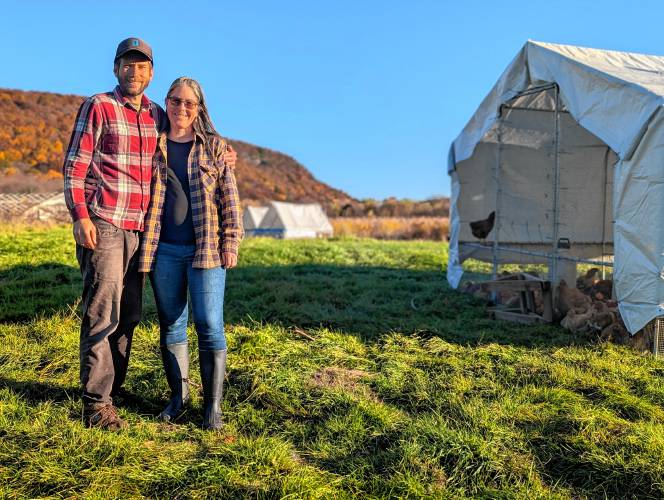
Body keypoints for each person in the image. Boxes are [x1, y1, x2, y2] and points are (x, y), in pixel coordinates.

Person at [62, 38, 238, 430]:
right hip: (106, 224)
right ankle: (97, 402)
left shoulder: (155, 116)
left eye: (142, 66)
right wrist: (80, 216)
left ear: (151, 73)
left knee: (130, 315)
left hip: (144, 234)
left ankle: (119, 389)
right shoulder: (99, 106)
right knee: (102, 313)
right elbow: (75, 165)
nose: (134, 71)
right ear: (115, 67)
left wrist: (225, 153)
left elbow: (206, 155)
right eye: (128, 64)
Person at [138, 77, 243, 430]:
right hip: (163, 249)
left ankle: (213, 407)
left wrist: (231, 242)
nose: (181, 108)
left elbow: (230, 200)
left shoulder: (214, 147)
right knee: (171, 324)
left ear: (199, 109)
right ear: (166, 103)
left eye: (189, 103)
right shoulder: (153, 144)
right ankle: (178, 398)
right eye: (175, 100)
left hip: (206, 251)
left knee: (210, 325)